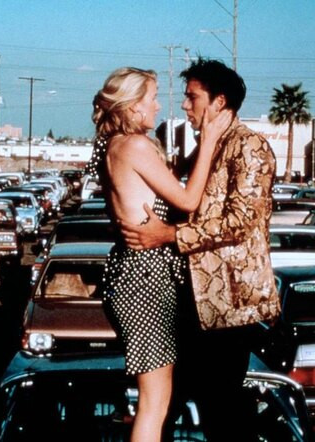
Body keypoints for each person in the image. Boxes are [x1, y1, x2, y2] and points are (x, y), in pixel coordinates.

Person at [120, 58, 281, 441]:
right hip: (194, 302)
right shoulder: (206, 147)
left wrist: (169, 235)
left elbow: (240, 221)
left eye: (192, 97)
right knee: (187, 404)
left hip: (229, 306)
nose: (184, 105)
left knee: (221, 411)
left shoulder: (249, 146)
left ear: (219, 102)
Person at [87, 66, 231, 442]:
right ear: (133, 105)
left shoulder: (115, 145)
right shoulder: (133, 146)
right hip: (145, 278)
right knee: (155, 402)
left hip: (137, 274)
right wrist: (209, 140)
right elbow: (188, 199)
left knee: (157, 399)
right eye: (152, 98)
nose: (158, 106)